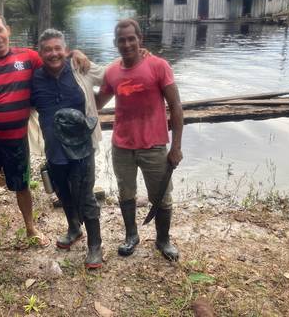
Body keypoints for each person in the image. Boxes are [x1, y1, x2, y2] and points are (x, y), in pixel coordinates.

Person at [96, 18, 183, 261]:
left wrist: (175, 146)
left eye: (131, 38)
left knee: (162, 197)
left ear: (139, 39)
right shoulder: (112, 71)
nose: (127, 44)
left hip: (154, 145)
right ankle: (131, 235)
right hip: (121, 145)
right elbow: (96, 103)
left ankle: (163, 240)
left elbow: (176, 107)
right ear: (115, 43)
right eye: (121, 40)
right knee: (126, 193)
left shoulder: (159, 66)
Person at [30, 29, 105, 269]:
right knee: (62, 193)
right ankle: (74, 229)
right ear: (39, 53)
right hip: (54, 149)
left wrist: (141, 57)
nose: (53, 53)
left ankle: (95, 245)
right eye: (47, 49)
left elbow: (112, 76)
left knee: (86, 196)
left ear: (65, 49)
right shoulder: (34, 79)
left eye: (58, 48)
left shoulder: (79, 67)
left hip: (82, 148)